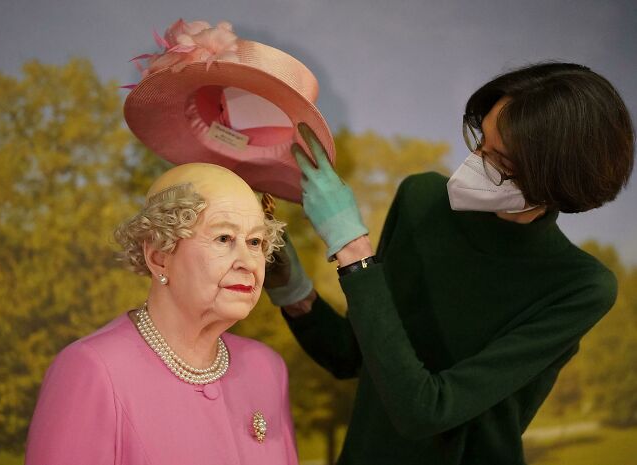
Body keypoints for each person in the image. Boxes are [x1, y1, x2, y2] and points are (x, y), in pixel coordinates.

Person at [264, 62, 634, 464]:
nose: (475, 161)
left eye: (501, 161)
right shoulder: (422, 200)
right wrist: (295, 292)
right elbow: (357, 356)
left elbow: (426, 411)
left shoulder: (579, 287)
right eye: (480, 142)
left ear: (556, 181)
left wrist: (352, 249)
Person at [25, 163, 299, 465]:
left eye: (255, 242)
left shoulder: (267, 369)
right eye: (224, 238)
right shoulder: (91, 370)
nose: (248, 262)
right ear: (159, 256)